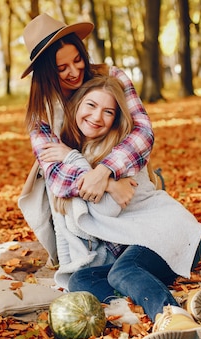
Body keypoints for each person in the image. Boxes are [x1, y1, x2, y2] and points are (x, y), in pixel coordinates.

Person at [39, 75, 201, 339]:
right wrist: (96, 177)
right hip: (143, 247)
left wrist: (76, 161)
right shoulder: (81, 150)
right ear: (76, 105)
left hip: (169, 234)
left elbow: (104, 209)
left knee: (123, 271)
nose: (97, 117)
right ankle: (183, 304)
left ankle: (173, 318)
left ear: (116, 119)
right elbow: (65, 208)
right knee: (80, 282)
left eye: (108, 111)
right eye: (90, 105)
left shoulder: (122, 154)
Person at [18, 13, 153, 268]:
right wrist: (108, 184)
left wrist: (106, 171)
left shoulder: (112, 76)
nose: (74, 72)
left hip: (125, 172)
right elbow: (56, 177)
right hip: (79, 198)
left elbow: (143, 132)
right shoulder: (42, 112)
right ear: (46, 72)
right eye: (62, 68)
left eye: (78, 60)